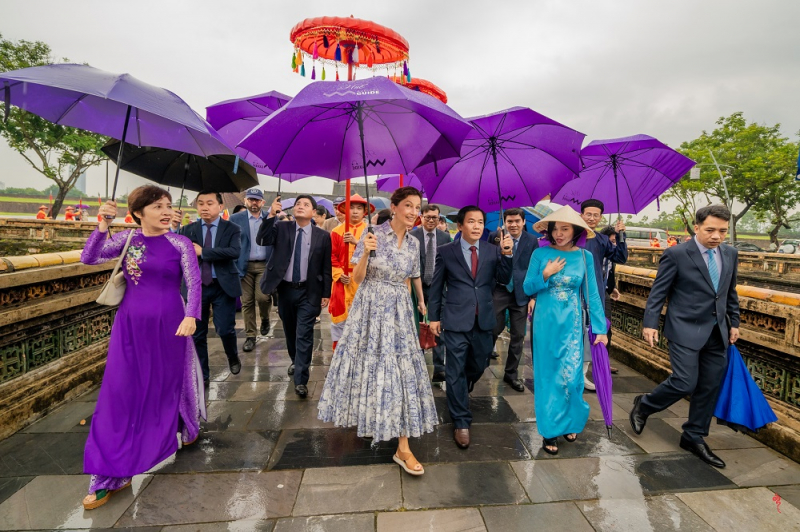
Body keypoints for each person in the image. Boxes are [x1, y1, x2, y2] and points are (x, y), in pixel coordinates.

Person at [79, 186, 204, 510]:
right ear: (138, 212)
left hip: (170, 326)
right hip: (130, 327)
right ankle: (108, 474)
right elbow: (89, 257)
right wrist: (102, 225)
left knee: (165, 387)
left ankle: (184, 423)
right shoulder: (127, 240)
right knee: (118, 394)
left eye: (167, 205)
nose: (166, 211)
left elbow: (193, 281)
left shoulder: (180, 243)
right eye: (157, 206)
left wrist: (192, 315)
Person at [318, 186, 436, 476]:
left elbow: (412, 275)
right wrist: (366, 253)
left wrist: (420, 301)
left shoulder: (413, 242)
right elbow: (356, 277)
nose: (413, 212)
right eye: (408, 205)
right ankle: (376, 421)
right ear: (394, 207)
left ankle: (403, 446)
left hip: (399, 310)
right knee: (370, 367)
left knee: (400, 371)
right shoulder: (371, 235)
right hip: (369, 307)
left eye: (417, 207)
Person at [630, 205, 740, 469]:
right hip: (684, 328)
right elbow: (658, 292)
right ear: (697, 226)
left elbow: (729, 291)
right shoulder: (677, 254)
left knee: (709, 385)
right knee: (684, 382)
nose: (716, 236)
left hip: (718, 331)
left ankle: (694, 436)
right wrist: (650, 323)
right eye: (711, 230)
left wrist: (734, 322)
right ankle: (644, 405)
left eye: (722, 231)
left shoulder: (730, 253)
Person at [524, 206, 608, 454]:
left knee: (572, 378)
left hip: (572, 323)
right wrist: (546, 274)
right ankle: (550, 430)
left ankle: (570, 421)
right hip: (545, 323)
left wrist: (600, 328)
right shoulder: (540, 255)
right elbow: (528, 287)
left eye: (565, 229)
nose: (559, 234)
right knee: (548, 378)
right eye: (555, 229)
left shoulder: (584, 257)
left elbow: (592, 294)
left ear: (576, 231)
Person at [428, 205, 513, 449]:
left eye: (480, 222)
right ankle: (461, 421)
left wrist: (507, 255)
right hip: (455, 319)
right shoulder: (446, 251)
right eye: (471, 221)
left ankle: (464, 385)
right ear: (460, 225)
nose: (476, 226)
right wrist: (434, 317)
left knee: (480, 362)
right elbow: (436, 286)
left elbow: (504, 279)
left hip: (484, 318)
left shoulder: (493, 250)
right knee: (454, 369)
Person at [258, 195, 332, 396]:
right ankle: (294, 359)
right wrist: (271, 214)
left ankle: (301, 379)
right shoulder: (282, 228)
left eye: (306, 204)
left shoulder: (322, 236)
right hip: (285, 290)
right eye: (298, 204)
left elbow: (326, 267)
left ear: (314, 212)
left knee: (304, 334)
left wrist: (326, 292)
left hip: (310, 292)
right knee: (290, 331)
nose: (300, 206)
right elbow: (262, 239)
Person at [173, 191, 242, 384]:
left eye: (210, 203)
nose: (204, 207)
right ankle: (202, 374)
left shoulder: (232, 228)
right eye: (200, 203)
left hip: (223, 285)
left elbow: (234, 252)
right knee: (197, 333)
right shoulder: (188, 230)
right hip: (196, 287)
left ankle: (232, 355)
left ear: (220, 207)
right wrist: (173, 227)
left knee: (225, 329)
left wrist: (203, 251)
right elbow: (174, 251)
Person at [489, 208, 539, 392]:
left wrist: (533, 296)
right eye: (510, 221)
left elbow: (535, 268)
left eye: (517, 221)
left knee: (518, 336)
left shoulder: (532, 240)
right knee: (492, 329)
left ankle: (511, 374)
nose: (513, 224)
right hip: (500, 290)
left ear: (523, 222)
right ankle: (480, 362)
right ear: (505, 222)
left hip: (522, 292)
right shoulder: (496, 236)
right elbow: (490, 263)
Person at [580, 199, 626, 385]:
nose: (591, 218)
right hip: (572, 291)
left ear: (600, 218)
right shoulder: (572, 235)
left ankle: (582, 375)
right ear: (581, 214)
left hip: (593, 291)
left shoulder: (602, 239)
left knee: (590, 331)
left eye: (595, 215)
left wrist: (621, 234)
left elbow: (620, 258)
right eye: (588, 214)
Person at [411, 204, 452, 382]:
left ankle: (439, 367)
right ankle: (417, 363)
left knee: (438, 325)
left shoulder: (445, 237)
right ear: (421, 216)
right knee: (415, 325)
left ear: (439, 218)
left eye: (434, 218)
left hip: (438, 287)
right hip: (416, 286)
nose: (430, 221)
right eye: (427, 217)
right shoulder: (412, 236)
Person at [230, 188, 273, 353]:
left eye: (257, 200)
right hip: (244, 265)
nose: (254, 203)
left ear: (262, 202)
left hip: (264, 264)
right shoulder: (235, 219)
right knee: (247, 302)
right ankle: (250, 335)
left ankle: (265, 317)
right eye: (251, 200)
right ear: (246, 201)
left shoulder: (269, 218)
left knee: (263, 297)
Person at [329, 194, 373, 350]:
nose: (355, 212)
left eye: (359, 208)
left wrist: (357, 243)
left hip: (364, 280)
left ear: (364, 212)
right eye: (351, 208)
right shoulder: (336, 231)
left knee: (363, 321)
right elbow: (332, 256)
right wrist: (338, 274)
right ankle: (338, 359)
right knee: (340, 320)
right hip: (342, 282)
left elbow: (375, 255)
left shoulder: (370, 231)